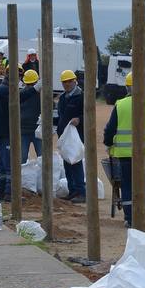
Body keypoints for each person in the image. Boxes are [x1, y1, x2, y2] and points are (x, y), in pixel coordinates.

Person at [103, 72, 145, 228]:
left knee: (127, 185)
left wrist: (108, 144)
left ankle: (130, 218)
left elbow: (110, 129)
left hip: (125, 155)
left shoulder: (120, 105)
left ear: (127, 87)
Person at [56, 69, 86, 204]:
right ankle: (72, 191)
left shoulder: (82, 97)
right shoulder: (62, 98)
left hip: (77, 136)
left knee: (76, 163)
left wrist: (79, 119)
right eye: (64, 82)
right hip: (64, 136)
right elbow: (61, 116)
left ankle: (81, 192)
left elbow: (89, 115)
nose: (67, 84)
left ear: (75, 81)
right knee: (67, 164)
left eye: (69, 81)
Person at [0, 66, 17, 200]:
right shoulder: (5, 90)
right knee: (9, 163)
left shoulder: (4, 88)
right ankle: (9, 192)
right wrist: (33, 90)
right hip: (4, 133)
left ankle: (0, 190)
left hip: (0, 132)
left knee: (2, 162)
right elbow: (17, 99)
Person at [18, 68, 42, 160]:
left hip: (25, 130)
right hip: (36, 130)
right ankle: (43, 174)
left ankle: (21, 174)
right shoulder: (40, 94)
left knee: (22, 158)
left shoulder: (22, 93)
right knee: (42, 157)